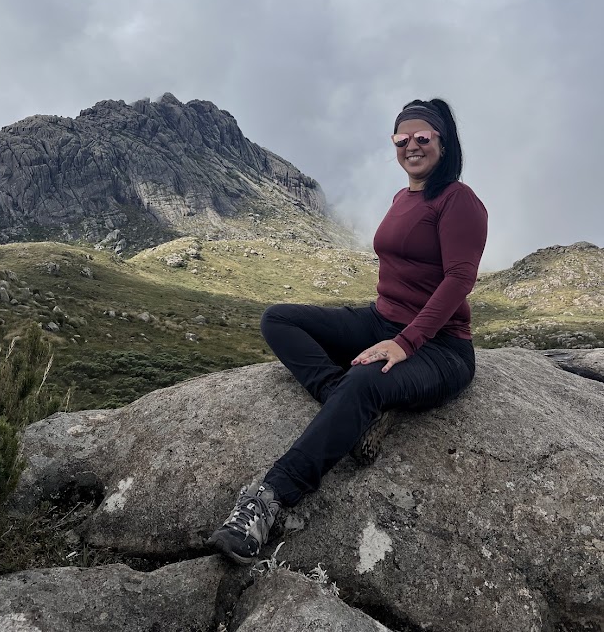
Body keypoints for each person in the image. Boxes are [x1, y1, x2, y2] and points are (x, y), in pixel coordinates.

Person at [207, 98, 488, 565]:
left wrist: (405, 343)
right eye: (402, 138)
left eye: (423, 137)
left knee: (365, 381)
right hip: (381, 320)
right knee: (279, 319)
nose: (412, 145)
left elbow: (459, 278)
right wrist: (387, 333)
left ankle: (268, 500)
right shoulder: (402, 198)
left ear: (443, 142)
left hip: (441, 347)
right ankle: (344, 403)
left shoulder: (458, 200)